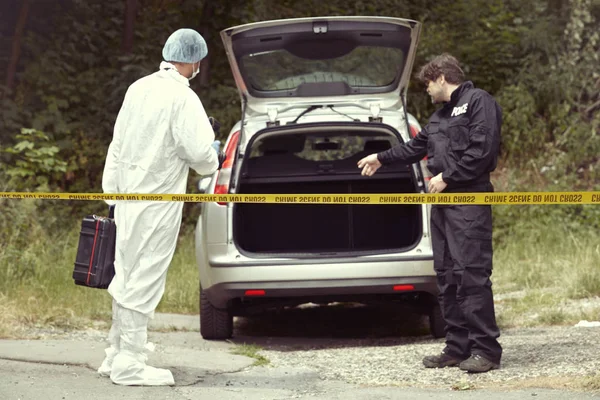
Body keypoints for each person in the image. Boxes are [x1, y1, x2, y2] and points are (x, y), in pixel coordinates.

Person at [357, 54, 503, 373]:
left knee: (471, 274)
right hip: (442, 206)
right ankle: (457, 347)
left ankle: (486, 350)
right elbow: (415, 147)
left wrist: (448, 176)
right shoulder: (439, 117)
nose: (426, 90)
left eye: (427, 84)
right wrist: (381, 157)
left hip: (468, 201)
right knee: (447, 275)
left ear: (440, 78)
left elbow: (483, 148)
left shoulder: (479, 101)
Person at [99, 28, 222, 386]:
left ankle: (115, 353)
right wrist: (212, 154)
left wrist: (113, 195)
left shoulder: (138, 88)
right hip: (157, 203)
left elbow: (117, 143)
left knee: (125, 274)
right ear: (195, 60)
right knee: (144, 278)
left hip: (126, 200)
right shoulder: (182, 98)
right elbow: (200, 154)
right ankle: (131, 365)